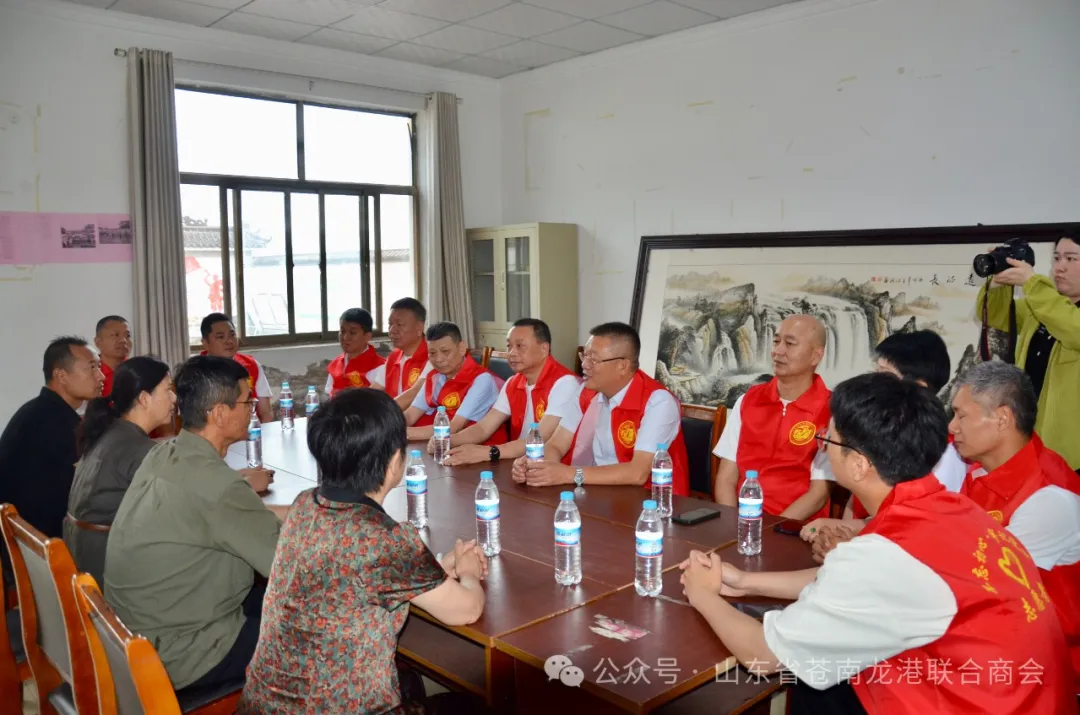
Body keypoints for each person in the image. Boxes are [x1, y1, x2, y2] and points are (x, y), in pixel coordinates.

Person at [679, 373, 1075, 714]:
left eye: (828, 439)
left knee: (810, 678)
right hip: (1019, 694)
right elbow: (852, 581)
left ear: (859, 464)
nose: (822, 447)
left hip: (974, 702)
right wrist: (745, 581)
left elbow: (764, 656)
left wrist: (703, 594)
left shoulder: (888, 552)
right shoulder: (948, 507)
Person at [239, 388, 487, 713]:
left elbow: (351, 573)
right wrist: (468, 573)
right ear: (395, 461)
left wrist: (435, 568)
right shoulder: (383, 538)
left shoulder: (305, 505)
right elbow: (467, 610)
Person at [105, 356, 284, 692]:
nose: (252, 409)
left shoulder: (164, 453)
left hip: (134, 637)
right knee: (316, 626)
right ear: (220, 414)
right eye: (247, 401)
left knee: (271, 600)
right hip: (182, 654)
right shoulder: (219, 487)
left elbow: (222, 511)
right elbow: (290, 567)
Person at [948, 361, 1080, 689]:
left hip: (1044, 664)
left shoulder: (1049, 498)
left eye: (961, 416)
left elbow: (983, 586)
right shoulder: (981, 470)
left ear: (1003, 418)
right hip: (995, 636)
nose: (952, 427)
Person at [802, 329, 968, 549]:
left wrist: (850, 541)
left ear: (917, 388)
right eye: (876, 371)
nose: (874, 382)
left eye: (885, 375)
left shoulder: (935, 454)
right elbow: (858, 496)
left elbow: (913, 526)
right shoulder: (884, 433)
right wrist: (843, 533)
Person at [512, 322, 689, 495]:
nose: (584, 365)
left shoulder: (658, 402)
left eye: (594, 359)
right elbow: (557, 445)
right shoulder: (587, 391)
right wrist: (535, 466)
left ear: (622, 366)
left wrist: (567, 474)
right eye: (585, 356)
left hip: (652, 501)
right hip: (602, 492)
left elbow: (637, 473)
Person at [64, 357, 175, 586]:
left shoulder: (108, 434)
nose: (174, 398)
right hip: (110, 574)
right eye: (168, 390)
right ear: (144, 398)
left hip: (83, 561)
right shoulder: (140, 450)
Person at [712, 315, 833, 519]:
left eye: (790, 343)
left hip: (796, 526)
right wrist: (734, 524)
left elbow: (818, 494)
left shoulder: (832, 412)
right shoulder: (748, 401)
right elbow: (726, 477)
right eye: (776, 341)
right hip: (740, 520)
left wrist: (770, 529)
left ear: (815, 356)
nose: (778, 351)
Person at [977, 232, 1080, 469]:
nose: (1060, 267)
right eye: (1057, 258)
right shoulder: (1041, 307)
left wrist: (1033, 283)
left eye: (1071, 259)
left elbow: (1072, 327)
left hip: (1072, 452)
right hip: (1033, 441)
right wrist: (999, 284)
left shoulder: (1048, 304)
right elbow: (996, 315)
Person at [0, 337, 103, 537]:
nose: (101, 376)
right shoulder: (51, 421)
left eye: (98, 367)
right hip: (36, 539)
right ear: (61, 375)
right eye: (92, 367)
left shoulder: (41, 410)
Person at [444, 318, 579, 466]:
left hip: (552, 469)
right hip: (517, 464)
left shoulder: (565, 383)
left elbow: (541, 438)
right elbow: (484, 428)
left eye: (520, 346)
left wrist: (490, 452)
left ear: (544, 349)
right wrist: (447, 441)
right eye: (509, 346)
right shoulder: (513, 383)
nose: (512, 353)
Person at [404, 322, 499, 442]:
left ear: (462, 348)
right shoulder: (435, 377)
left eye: (445, 351)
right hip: (439, 444)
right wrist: (389, 425)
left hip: (476, 448)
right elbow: (410, 415)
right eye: (432, 353)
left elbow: (454, 427)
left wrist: (399, 432)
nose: (438, 359)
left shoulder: (481, 379)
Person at [201, 312, 273, 423]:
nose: (229, 341)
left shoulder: (251, 365)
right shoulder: (197, 372)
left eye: (232, 335)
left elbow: (266, 412)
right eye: (220, 337)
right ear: (205, 343)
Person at [368, 298, 433, 410]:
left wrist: (383, 414)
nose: (392, 330)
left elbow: (414, 394)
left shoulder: (433, 356)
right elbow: (374, 390)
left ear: (419, 327)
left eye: (399, 324)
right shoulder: (394, 357)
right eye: (390, 324)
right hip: (394, 416)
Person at [324, 308, 385, 398]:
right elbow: (329, 394)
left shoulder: (380, 367)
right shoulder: (336, 364)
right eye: (342, 331)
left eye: (352, 333)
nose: (345, 337)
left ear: (367, 336)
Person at [94, 315, 132, 398]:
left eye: (127, 336)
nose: (123, 340)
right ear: (98, 342)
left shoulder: (137, 371)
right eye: (116, 335)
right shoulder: (91, 374)